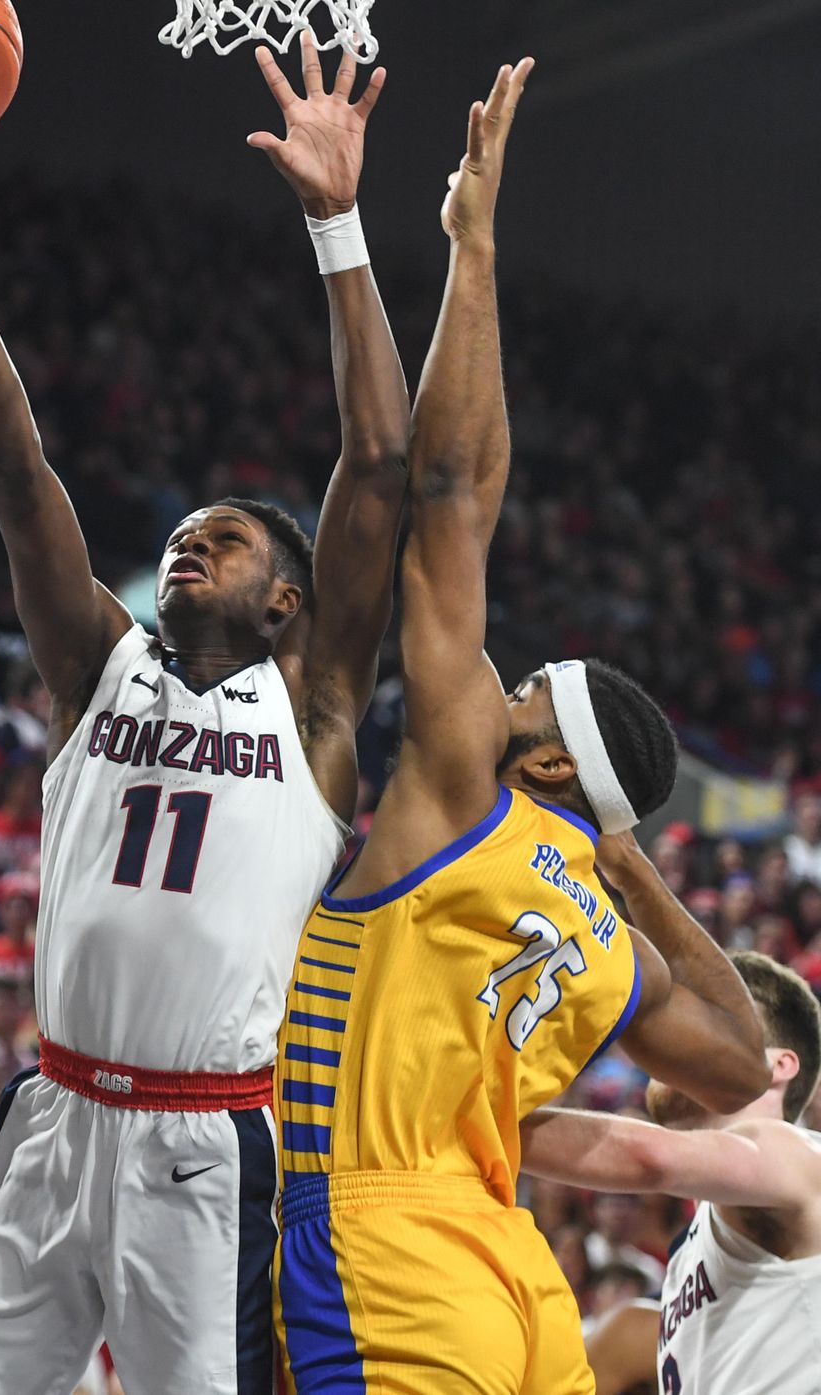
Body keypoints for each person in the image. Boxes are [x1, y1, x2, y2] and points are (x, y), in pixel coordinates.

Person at [0, 27, 409, 1392]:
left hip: (204, 1151)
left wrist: (339, 226)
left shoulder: (314, 707)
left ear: (288, 604)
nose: (192, 543)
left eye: (231, 540)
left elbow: (378, 463)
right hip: (52, 1113)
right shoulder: (103, 663)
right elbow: (12, 461)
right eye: (185, 534)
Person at [270, 60, 771, 1395]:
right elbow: (737, 1062)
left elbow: (450, 488)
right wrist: (630, 864)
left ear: (540, 759)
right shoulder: (607, 938)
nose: (494, 688)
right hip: (519, 1269)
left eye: (523, 695)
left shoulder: (456, 787)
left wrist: (471, 247)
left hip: (381, 1240)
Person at [520, 951, 821, 1394]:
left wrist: (472, 1120)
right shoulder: (693, 1252)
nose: (678, 1042)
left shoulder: (794, 1152)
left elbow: (650, 1158)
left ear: (779, 1065)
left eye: (710, 1027)